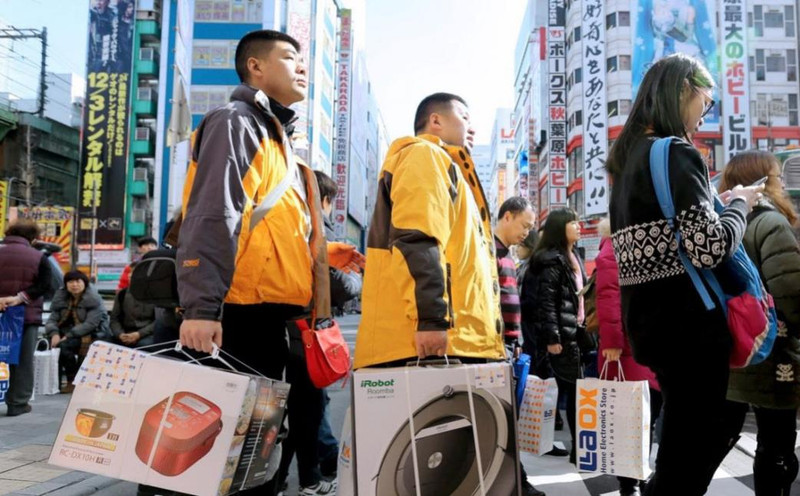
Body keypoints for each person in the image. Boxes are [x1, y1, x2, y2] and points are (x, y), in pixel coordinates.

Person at [176, 30, 362, 496]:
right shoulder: (235, 121)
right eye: (290, 57)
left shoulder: (277, 138)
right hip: (240, 313)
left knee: (257, 450)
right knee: (234, 451)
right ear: (255, 67)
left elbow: (271, 229)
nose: (301, 66)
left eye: (303, 59)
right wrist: (201, 308)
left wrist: (327, 256)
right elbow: (213, 215)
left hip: (272, 314)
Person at [605, 53, 763, 495]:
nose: (703, 114)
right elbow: (708, 246)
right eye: (704, 102)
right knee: (693, 453)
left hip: (650, 326)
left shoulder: (626, 162)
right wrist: (739, 206)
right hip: (691, 327)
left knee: (678, 446)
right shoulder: (676, 153)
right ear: (681, 92)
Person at [354, 92, 505, 368]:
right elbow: (417, 239)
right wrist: (431, 319)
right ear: (435, 120)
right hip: (426, 345)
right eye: (464, 117)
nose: (471, 127)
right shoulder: (425, 155)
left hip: (445, 342)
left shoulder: (446, 167)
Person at [275, 171, 362, 493]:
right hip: (306, 334)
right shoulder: (314, 229)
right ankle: (309, 480)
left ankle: (283, 479)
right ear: (323, 200)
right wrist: (354, 275)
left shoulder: (279, 222)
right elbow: (340, 287)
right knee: (307, 412)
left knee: (287, 412)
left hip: (276, 329)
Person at [719, 150, 800, 495]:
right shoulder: (771, 223)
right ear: (765, 182)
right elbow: (790, 290)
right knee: (776, 446)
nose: (781, 184)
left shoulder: (722, 221)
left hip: (730, 348)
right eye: (777, 177)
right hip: (773, 352)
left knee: (716, 438)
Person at [595, 217, 662, 496]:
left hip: (642, 346)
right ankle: (629, 482)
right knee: (632, 418)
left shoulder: (629, 246)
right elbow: (608, 297)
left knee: (644, 416)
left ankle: (638, 475)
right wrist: (613, 342)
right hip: (625, 350)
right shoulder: (612, 250)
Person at [520, 207, 586, 465]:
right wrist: (553, 338)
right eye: (574, 223)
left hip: (574, 334)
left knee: (574, 390)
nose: (579, 226)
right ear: (561, 228)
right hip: (561, 337)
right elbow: (547, 303)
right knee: (571, 390)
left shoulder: (572, 256)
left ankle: (575, 449)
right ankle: (576, 450)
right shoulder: (552, 259)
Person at [493, 196, 547, 496]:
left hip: (509, 347)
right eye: (524, 225)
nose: (527, 232)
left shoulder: (507, 255)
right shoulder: (489, 250)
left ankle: (517, 481)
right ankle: (519, 483)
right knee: (504, 418)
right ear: (508, 216)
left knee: (508, 416)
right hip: (497, 347)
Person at [0, 219, 54, 417]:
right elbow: (46, 285)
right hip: (24, 316)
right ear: (31, 238)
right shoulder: (38, 256)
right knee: (22, 361)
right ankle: (17, 403)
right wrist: (20, 298)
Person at [45, 271, 109, 394]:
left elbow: (91, 324)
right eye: (71, 282)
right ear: (66, 284)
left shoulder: (94, 299)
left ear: (84, 283)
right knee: (60, 346)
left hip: (95, 334)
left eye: (78, 281)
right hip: (70, 334)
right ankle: (71, 380)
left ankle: (80, 381)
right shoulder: (62, 298)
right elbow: (52, 320)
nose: (74, 285)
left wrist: (68, 336)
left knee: (67, 344)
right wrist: (54, 333)